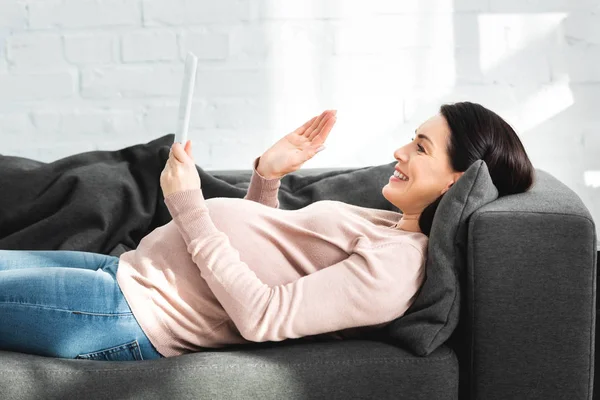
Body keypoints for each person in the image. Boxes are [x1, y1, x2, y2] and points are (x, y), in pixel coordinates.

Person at [0, 102, 535, 361]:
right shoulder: (389, 225)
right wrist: (267, 178)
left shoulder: (398, 268)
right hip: (125, 275)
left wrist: (188, 206)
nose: (399, 152)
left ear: (459, 180)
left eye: (420, 148)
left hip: (128, 313)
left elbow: (261, 316)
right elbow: (263, 251)